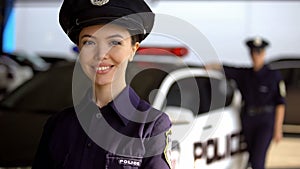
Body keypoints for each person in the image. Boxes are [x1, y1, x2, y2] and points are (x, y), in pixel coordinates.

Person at [32, 0, 172, 169]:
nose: (101, 54)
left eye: (115, 42)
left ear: (133, 50)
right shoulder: (58, 125)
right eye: (89, 42)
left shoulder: (151, 126)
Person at [207, 36, 286, 169]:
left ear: (264, 53)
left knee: (257, 160)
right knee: (251, 157)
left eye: (258, 52)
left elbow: (280, 103)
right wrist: (208, 66)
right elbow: (226, 69)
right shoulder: (245, 75)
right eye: (253, 52)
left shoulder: (273, 76)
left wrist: (278, 128)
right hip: (249, 120)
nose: (255, 55)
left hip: (265, 121)